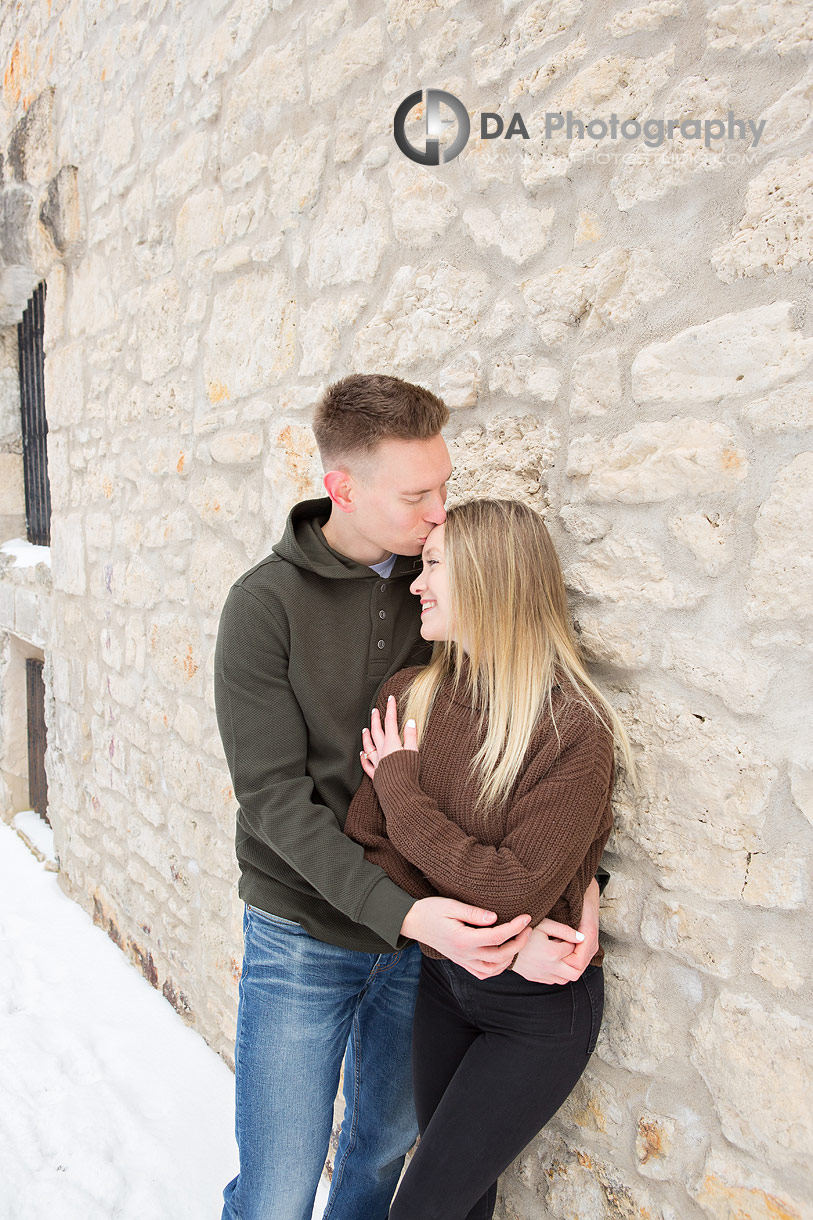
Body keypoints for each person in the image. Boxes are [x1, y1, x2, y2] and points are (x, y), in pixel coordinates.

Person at [214, 375, 604, 1220]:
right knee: (278, 1188)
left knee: (381, 1162)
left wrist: (571, 894)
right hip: (305, 933)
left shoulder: (446, 585)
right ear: (341, 487)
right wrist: (406, 912)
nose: (438, 517)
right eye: (417, 496)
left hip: (424, 955)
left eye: (444, 488)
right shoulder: (263, 607)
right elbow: (274, 800)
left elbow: (523, 776)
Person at [345, 498, 634, 1220]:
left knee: (421, 1209)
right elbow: (373, 848)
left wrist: (402, 789)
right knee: (463, 1206)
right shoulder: (408, 697)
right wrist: (516, 919)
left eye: (435, 564)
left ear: (489, 579)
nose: (416, 581)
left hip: (537, 1012)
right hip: (445, 986)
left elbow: (512, 881)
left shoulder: (572, 727)